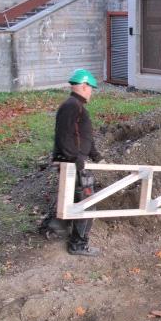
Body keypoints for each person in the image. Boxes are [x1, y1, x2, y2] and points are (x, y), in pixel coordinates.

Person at [52, 69, 103, 257]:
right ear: (83, 86)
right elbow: (65, 137)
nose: (92, 92)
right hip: (72, 165)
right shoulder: (72, 106)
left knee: (77, 200)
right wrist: (75, 159)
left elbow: (83, 137)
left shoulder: (77, 106)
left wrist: (96, 156)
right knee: (87, 202)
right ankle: (78, 244)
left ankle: (56, 227)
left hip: (74, 163)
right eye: (91, 89)